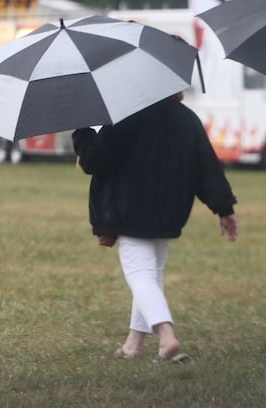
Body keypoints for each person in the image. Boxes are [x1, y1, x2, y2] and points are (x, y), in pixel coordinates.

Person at [73, 92, 238, 363]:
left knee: (140, 275)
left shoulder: (128, 115)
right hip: (170, 213)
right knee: (151, 275)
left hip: (130, 211)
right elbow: (207, 168)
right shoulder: (187, 119)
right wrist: (225, 208)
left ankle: (166, 336)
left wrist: (83, 131)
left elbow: (95, 160)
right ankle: (133, 344)